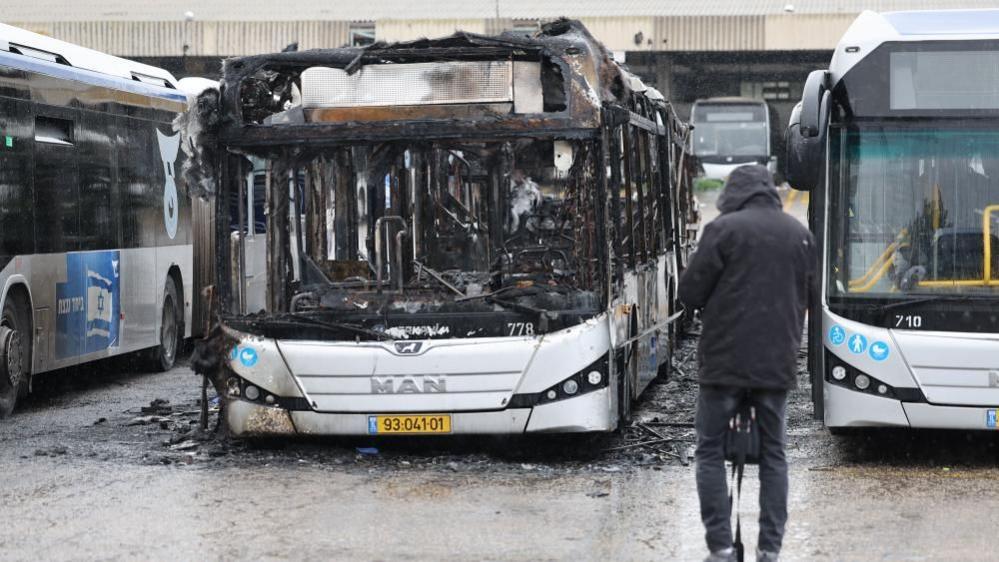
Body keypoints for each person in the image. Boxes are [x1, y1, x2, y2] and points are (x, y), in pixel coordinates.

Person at [678, 165, 816, 562]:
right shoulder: (800, 236)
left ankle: (721, 547)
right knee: (774, 454)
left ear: (733, 193)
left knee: (708, 450)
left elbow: (689, 293)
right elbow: (810, 298)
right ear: (771, 192)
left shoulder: (723, 230)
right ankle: (769, 550)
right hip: (776, 364)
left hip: (724, 364)